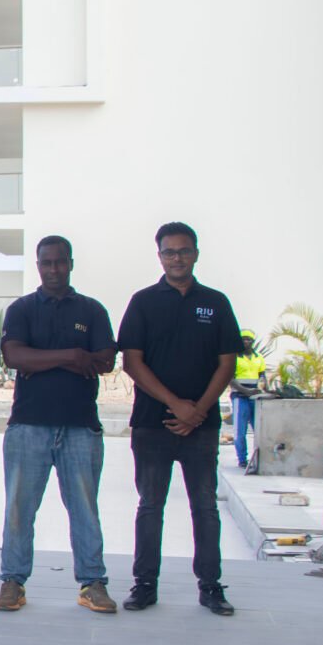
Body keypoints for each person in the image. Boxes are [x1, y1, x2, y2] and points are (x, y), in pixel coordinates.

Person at [117, 221, 241, 616]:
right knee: (150, 506)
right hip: (153, 425)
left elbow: (227, 363)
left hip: (201, 429)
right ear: (160, 256)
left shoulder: (216, 302)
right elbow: (132, 362)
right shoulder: (142, 302)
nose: (176, 258)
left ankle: (210, 587)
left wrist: (198, 411)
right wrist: (177, 405)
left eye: (183, 251)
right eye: (169, 252)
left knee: (204, 507)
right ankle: (145, 585)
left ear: (196, 254)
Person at [0, 235, 118, 614]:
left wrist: (43, 359)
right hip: (29, 425)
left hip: (80, 426)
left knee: (84, 508)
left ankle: (92, 582)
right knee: (19, 508)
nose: (53, 269)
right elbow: (14, 356)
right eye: (46, 263)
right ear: (38, 265)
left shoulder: (92, 310)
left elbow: (106, 360)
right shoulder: (22, 309)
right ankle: (13, 581)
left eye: (60, 262)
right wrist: (72, 356)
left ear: (70, 264)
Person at [230, 329, 267, 470]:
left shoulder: (259, 358)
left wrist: (265, 390)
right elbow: (230, 379)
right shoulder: (235, 358)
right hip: (240, 397)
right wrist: (245, 391)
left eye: (249, 339)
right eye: (243, 339)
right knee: (240, 431)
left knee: (259, 429)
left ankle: (258, 458)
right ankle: (242, 459)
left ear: (253, 342)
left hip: (255, 398)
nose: (246, 342)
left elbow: (262, 377)